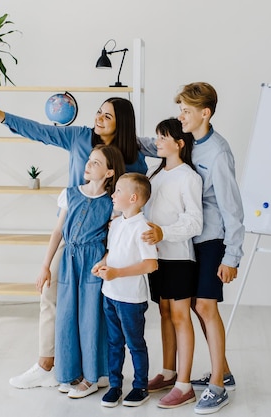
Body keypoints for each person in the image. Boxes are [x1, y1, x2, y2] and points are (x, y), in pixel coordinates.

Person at [0, 93, 147, 390]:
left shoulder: (132, 157)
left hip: (107, 245)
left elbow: (138, 198)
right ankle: (48, 363)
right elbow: (42, 132)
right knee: (51, 294)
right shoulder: (80, 138)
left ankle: (96, 371)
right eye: (99, 112)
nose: (98, 118)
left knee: (97, 308)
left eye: (107, 116)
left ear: (121, 124)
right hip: (70, 237)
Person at [138, 82, 245, 415]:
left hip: (212, 238)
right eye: (180, 110)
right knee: (191, 309)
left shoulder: (219, 153)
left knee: (206, 308)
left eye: (185, 111)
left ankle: (216, 386)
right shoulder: (184, 142)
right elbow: (152, 144)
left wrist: (232, 256)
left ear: (205, 113)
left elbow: (232, 208)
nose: (180, 115)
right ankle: (222, 373)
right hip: (186, 243)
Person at [42, 144, 126, 399]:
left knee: (91, 319)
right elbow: (58, 232)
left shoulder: (112, 204)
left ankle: (92, 377)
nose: (88, 165)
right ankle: (71, 373)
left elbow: (116, 239)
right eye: (89, 160)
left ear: (110, 172)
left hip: (94, 264)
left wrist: (105, 261)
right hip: (69, 259)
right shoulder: (70, 194)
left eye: (96, 163)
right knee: (67, 316)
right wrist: (45, 266)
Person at [141, 118, 203, 409]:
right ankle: (168, 372)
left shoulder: (188, 177)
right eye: (156, 137)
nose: (157, 142)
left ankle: (184, 384)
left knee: (180, 316)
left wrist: (164, 232)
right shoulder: (156, 174)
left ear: (179, 144)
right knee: (165, 312)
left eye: (163, 137)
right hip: (158, 257)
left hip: (178, 257)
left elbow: (194, 221)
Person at [92, 173, 158, 408]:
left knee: (135, 343)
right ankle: (115, 386)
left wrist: (117, 273)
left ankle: (141, 386)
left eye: (118, 190)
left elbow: (151, 264)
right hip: (110, 294)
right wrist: (102, 262)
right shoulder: (117, 223)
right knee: (114, 343)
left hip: (130, 298)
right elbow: (112, 252)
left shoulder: (143, 228)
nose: (113, 194)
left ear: (133, 197)